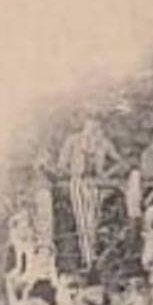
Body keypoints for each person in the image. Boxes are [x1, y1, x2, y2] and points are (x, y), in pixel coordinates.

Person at [56, 111, 126, 269]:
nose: (94, 125)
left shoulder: (103, 142)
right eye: (91, 121)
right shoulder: (73, 140)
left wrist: (107, 174)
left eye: (97, 122)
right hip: (78, 182)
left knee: (92, 220)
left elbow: (121, 162)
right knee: (83, 220)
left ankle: (92, 257)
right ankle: (88, 259)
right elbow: (61, 165)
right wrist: (73, 172)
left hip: (96, 182)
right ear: (85, 123)